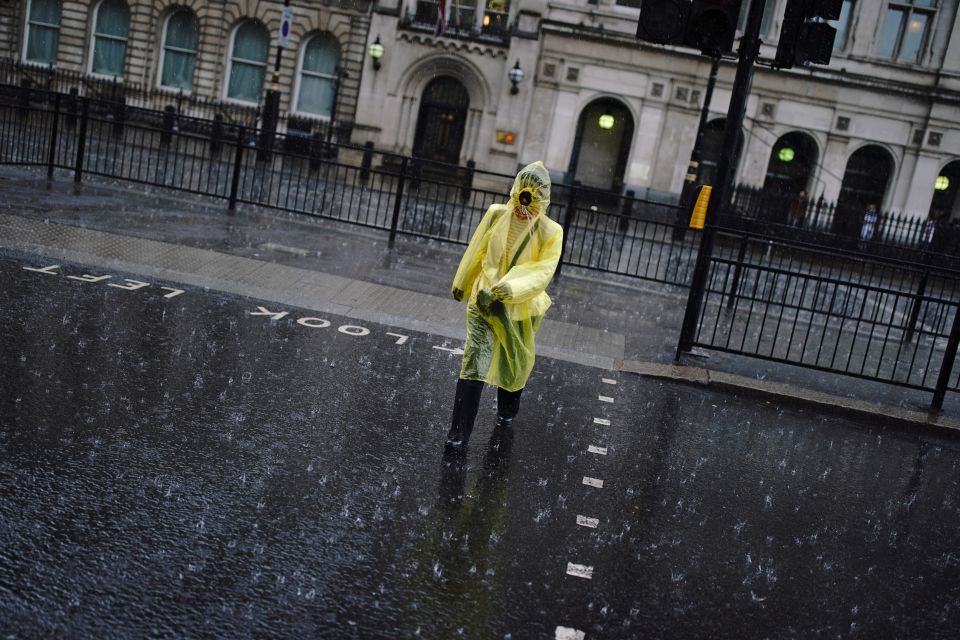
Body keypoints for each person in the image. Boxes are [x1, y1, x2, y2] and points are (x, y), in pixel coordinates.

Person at [446, 161, 564, 448]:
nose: (527, 196)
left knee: (515, 363)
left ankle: (507, 412)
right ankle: (458, 434)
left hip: (521, 308)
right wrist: (462, 283)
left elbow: (542, 272)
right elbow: (478, 249)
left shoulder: (550, 231)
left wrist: (512, 288)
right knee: (474, 362)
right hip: (484, 301)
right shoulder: (496, 214)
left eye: (534, 192)